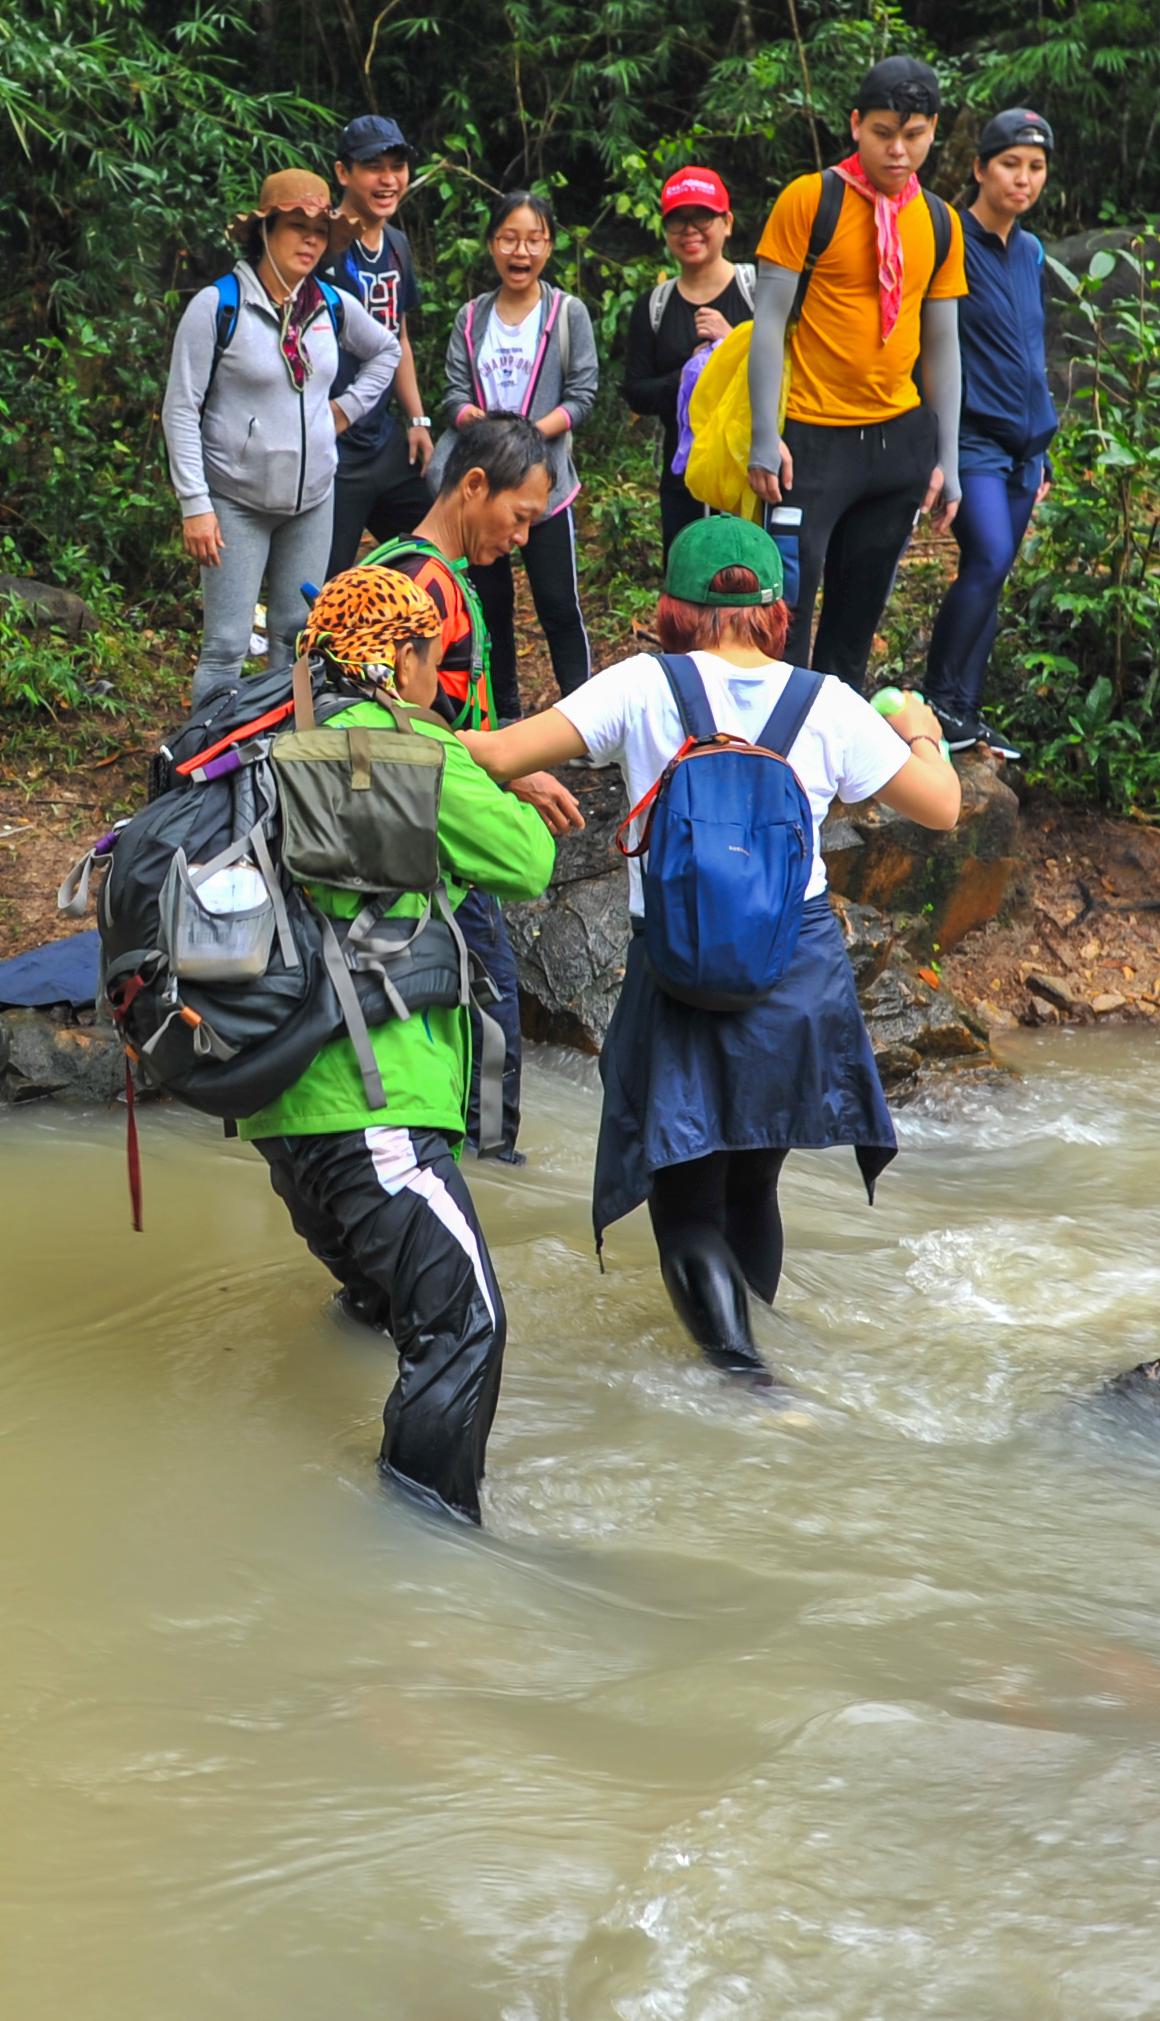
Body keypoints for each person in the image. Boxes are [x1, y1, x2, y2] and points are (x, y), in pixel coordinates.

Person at [457, 516, 961, 1386]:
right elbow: (944, 806)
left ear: (675, 610)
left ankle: (745, 1382)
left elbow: (496, 753)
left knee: (685, 1203)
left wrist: (393, 717)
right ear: (773, 611)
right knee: (753, 1187)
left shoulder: (643, 686)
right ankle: (755, 1379)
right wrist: (920, 728)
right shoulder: (829, 701)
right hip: (792, 971)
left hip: (680, 965)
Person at [242, 565, 558, 1524]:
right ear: (400, 659)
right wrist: (459, 756)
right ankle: (425, 1554)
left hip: (278, 1110)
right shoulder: (412, 757)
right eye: (436, 654)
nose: (443, 672)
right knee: (469, 1325)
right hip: (377, 1112)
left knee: (383, 1304)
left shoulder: (268, 746)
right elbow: (528, 860)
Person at [359, 414, 586, 1164]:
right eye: (519, 518)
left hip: (413, 831)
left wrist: (515, 769)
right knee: (490, 1012)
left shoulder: (408, 568)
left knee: (459, 1004)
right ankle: (488, 1174)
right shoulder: (425, 585)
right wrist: (515, 769)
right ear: (474, 485)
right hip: (437, 834)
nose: (522, 539)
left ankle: (454, 1158)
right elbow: (396, 726)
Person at [744, 54, 968, 685]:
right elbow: (767, 322)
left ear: (932, 131)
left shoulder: (941, 222)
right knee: (784, 609)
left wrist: (947, 458)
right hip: (810, 444)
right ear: (855, 126)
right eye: (883, 133)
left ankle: (833, 755)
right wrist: (766, 436)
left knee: (858, 612)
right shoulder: (811, 200)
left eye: (914, 134)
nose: (898, 150)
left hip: (898, 443)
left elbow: (942, 343)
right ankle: (771, 752)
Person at [163, 170, 399, 702]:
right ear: (265, 231)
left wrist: (343, 411)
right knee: (226, 645)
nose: (311, 241)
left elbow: (388, 350)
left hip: (313, 498)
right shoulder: (218, 306)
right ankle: (205, 767)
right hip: (234, 501)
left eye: (320, 231)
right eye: (297, 227)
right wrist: (195, 504)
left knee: (296, 638)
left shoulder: (331, 304)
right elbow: (180, 408)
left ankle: (278, 762)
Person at [921, 107, 1059, 760]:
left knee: (995, 572)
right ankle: (938, 701)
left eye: (1035, 168)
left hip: (1026, 447)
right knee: (985, 558)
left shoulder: (1030, 251)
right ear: (979, 168)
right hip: (971, 438)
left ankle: (965, 711)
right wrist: (935, 449)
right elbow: (931, 346)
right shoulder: (947, 236)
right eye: (1010, 164)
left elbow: (1032, 350)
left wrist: (1046, 446)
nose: (1023, 179)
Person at [438, 190, 601, 704]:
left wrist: (529, 434)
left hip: (546, 488)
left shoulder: (567, 313)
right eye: (509, 238)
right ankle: (502, 714)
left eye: (533, 239)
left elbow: (582, 395)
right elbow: (454, 395)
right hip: (486, 492)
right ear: (491, 245)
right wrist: (485, 428)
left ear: (549, 246)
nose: (520, 252)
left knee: (558, 603)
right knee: (490, 605)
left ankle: (586, 721)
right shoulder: (471, 317)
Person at [318, 115, 440, 582]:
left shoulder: (397, 246)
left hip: (384, 440)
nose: (388, 179)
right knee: (322, 587)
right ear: (343, 172)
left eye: (398, 165)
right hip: (331, 447)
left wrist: (417, 419)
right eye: (374, 167)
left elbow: (399, 336)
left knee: (433, 559)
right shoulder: (321, 246)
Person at [620, 165, 756, 565]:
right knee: (688, 579)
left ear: (727, 223)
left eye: (702, 217)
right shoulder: (654, 306)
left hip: (751, 467)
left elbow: (790, 370)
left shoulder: (758, 288)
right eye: (677, 219)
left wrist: (732, 341)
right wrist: (686, 376)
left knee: (751, 579)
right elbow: (636, 391)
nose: (689, 229)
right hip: (683, 473)